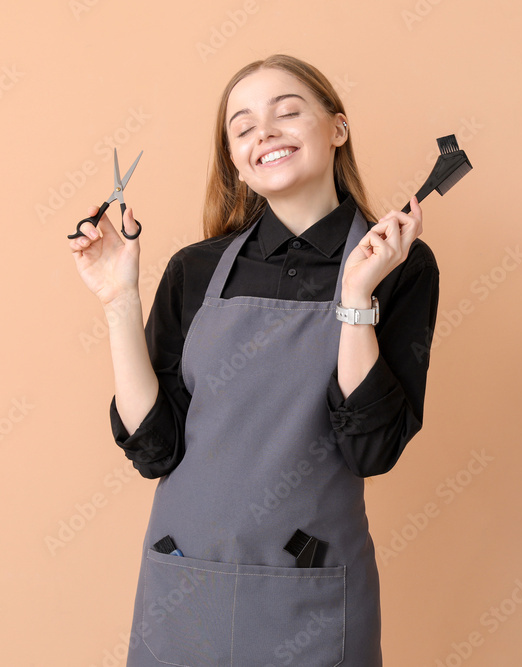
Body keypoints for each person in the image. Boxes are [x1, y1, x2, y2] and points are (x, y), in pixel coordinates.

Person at [68, 53, 440, 666]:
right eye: (242, 128)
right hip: (186, 584)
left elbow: (370, 450)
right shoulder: (196, 269)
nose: (263, 132)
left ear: (337, 128)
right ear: (236, 162)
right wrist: (120, 299)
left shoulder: (399, 267)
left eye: (286, 112)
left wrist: (356, 297)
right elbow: (155, 447)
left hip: (312, 587)